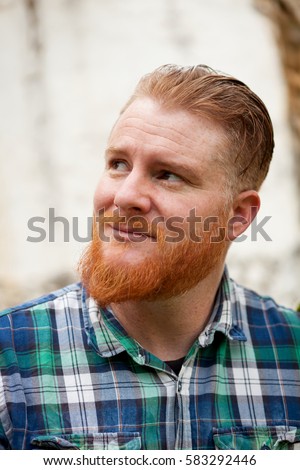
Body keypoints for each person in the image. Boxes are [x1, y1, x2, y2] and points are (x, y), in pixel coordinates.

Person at [0, 64, 299, 451]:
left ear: (237, 216)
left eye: (168, 175)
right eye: (118, 164)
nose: (124, 196)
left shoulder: (291, 354)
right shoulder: (11, 366)